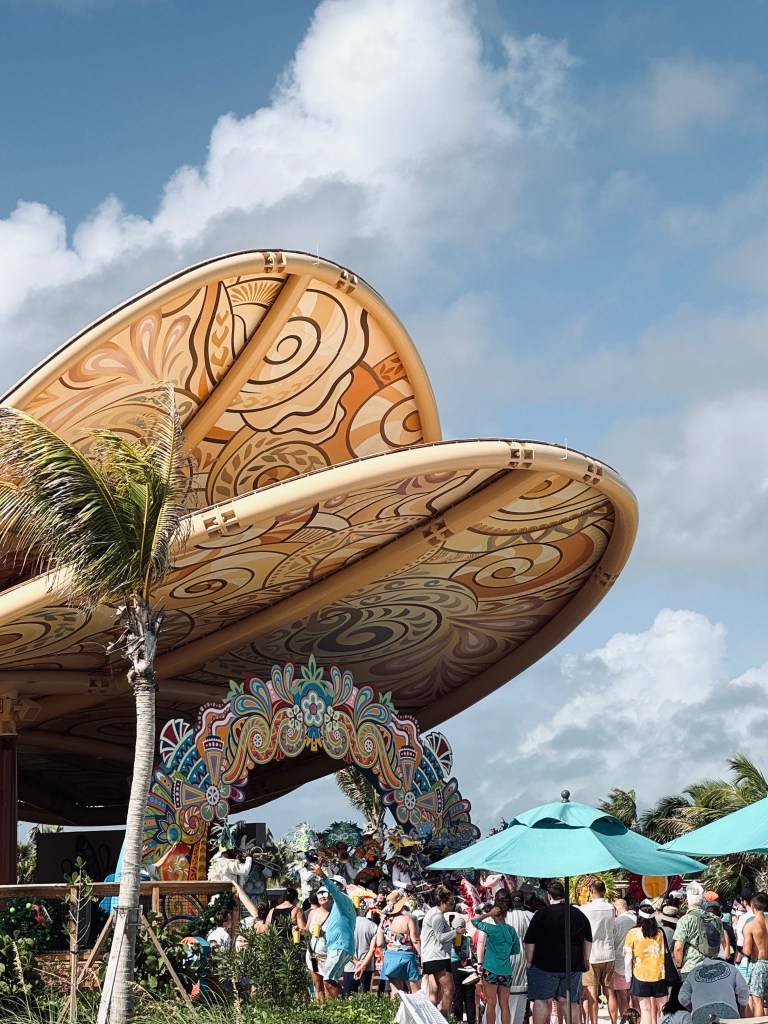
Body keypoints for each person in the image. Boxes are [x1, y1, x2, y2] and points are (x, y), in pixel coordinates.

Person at [524, 880, 593, 1024]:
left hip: (544, 965)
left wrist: (529, 962)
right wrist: (586, 959)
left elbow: (530, 941)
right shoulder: (577, 913)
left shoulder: (541, 914)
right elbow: (588, 939)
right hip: (572, 965)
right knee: (570, 1002)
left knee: (542, 1001)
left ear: (549, 896)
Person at [311, 864, 357, 1000]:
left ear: (342, 887)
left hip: (339, 947)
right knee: (331, 982)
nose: (332, 886)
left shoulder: (343, 899)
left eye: (335, 884)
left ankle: (345, 1008)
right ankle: (342, 1008)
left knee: (328, 981)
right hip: (338, 947)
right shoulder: (338, 906)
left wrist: (324, 877)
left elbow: (335, 892)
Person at [472, 904, 521, 1024]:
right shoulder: (511, 930)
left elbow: (474, 921)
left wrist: (488, 914)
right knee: (504, 1004)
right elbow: (516, 950)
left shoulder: (491, 929)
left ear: (495, 915)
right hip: (506, 972)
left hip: (490, 970)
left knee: (491, 1003)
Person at [581, 879, 618, 1024]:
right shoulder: (610, 908)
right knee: (610, 992)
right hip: (608, 953)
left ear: (591, 892)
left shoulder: (585, 909)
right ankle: (614, 1021)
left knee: (592, 994)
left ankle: (594, 1022)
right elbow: (613, 930)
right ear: (605, 891)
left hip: (591, 955)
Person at [624, 901, 667, 1024]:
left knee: (645, 1009)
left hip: (640, 975)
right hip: (659, 974)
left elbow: (627, 955)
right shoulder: (660, 932)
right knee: (663, 1008)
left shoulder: (633, 933)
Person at [422, 885, 460, 1013]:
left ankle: (435, 1017)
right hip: (437, 956)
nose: (453, 905)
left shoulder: (433, 913)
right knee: (449, 989)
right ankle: (445, 1018)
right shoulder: (437, 916)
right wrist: (456, 932)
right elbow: (440, 937)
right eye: (451, 903)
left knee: (435, 990)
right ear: (442, 903)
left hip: (432, 956)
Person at [678, 956, 749, 1024]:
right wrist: (742, 1012)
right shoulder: (732, 968)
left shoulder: (693, 972)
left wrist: (696, 1008)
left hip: (700, 1014)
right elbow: (743, 989)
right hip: (727, 1010)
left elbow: (682, 997)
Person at [673, 883, 724, 978]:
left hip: (691, 968)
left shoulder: (685, 920)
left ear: (687, 902)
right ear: (702, 902)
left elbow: (678, 948)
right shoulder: (716, 919)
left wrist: (679, 966)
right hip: (712, 966)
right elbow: (721, 940)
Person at [377, 892, 422, 997]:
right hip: (407, 957)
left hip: (390, 957)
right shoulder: (408, 919)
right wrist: (422, 955)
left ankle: (395, 1012)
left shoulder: (384, 922)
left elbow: (379, 943)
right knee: (415, 992)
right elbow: (415, 940)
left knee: (395, 992)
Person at [342, 903, 379, 995]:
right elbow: (372, 950)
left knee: (349, 995)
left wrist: (356, 962)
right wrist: (362, 965)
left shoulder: (346, 925)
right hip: (367, 966)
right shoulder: (373, 926)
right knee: (365, 995)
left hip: (350, 966)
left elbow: (344, 947)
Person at [742, 892, 768, 1015]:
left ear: (752, 906)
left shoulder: (750, 925)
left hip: (758, 964)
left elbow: (747, 951)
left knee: (758, 1001)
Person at [304, 887, 331, 1002]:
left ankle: (333, 1012)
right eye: (319, 894)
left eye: (325, 893)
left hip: (328, 956)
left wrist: (323, 933)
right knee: (318, 985)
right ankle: (321, 1012)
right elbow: (307, 931)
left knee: (328, 985)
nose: (322, 896)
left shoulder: (334, 913)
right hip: (313, 955)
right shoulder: (313, 913)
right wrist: (298, 930)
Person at [450, 913, 477, 1024]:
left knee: (457, 995)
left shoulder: (450, 940)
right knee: (469, 997)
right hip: (467, 966)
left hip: (454, 966)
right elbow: (472, 952)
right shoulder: (469, 939)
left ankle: (458, 1021)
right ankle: (471, 1021)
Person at [614, 898, 638, 1015]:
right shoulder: (637, 920)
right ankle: (637, 1020)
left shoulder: (616, 922)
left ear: (616, 910)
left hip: (620, 964)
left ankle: (625, 1020)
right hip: (636, 963)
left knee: (623, 996)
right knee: (635, 997)